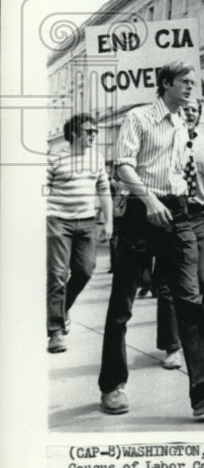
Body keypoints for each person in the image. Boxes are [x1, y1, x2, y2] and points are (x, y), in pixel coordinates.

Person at [98, 61, 204, 418]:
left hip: (178, 214)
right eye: (185, 81)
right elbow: (123, 165)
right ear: (165, 84)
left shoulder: (183, 124)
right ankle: (112, 385)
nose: (191, 87)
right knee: (123, 304)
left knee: (190, 298)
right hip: (140, 212)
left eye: (193, 82)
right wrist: (148, 200)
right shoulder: (140, 118)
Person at [155, 97, 204, 369]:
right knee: (167, 285)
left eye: (195, 110)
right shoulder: (161, 141)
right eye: (185, 109)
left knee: (203, 280)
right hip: (170, 214)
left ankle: (188, 336)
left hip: (197, 216)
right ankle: (172, 346)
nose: (190, 113)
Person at [47, 114, 113, 353]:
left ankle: (61, 308)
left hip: (86, 222)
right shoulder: (54, 158)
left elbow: (104, 190)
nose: (93, 135)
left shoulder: (96, 158)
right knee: (57, 274)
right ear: (74, 133)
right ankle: (55, 331)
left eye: (95, 131)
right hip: (58, 221)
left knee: (85, 270)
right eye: (89, 131)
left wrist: (108, 222)